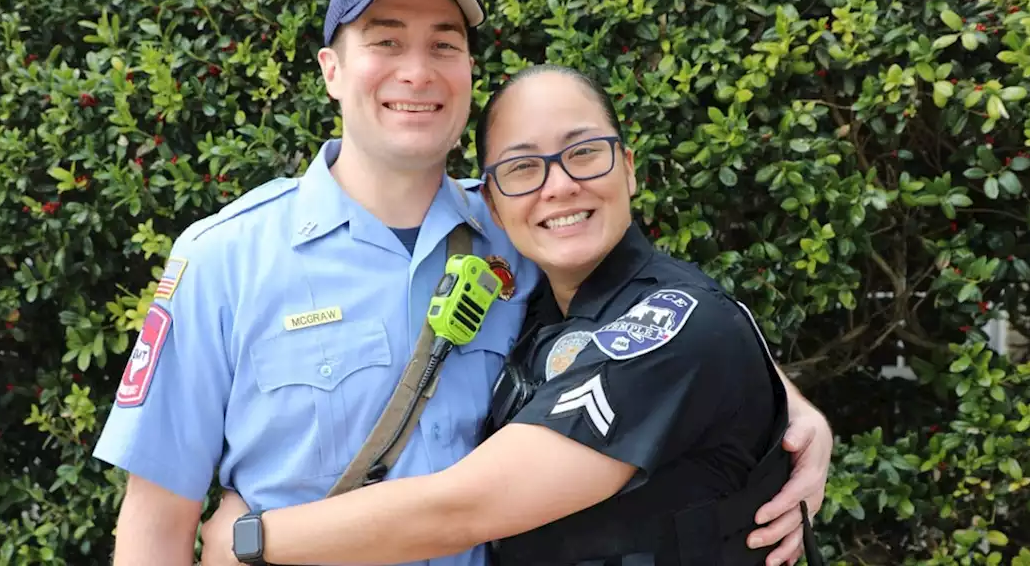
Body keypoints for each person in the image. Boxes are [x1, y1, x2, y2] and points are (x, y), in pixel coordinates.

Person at [92, 0, 831, 566]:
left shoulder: (525, 219)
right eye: (385, 41)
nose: (417, 71)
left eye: (444, 44)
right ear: (330, 70)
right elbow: (154, 526)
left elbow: (667, 324)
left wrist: (795, 415)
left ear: (468, 74)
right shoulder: (225, 258)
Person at [197, 65, 827, 566]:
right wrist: (794, 406)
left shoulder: (677, 324)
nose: (558, 187)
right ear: (493, 208)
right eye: (523, 168)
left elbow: (462, 510)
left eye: (584, 154)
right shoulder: (532, 295)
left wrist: (250, 540)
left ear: (628, 169)